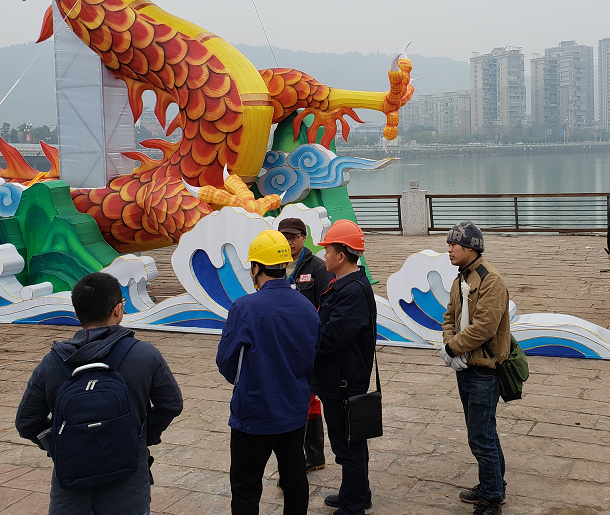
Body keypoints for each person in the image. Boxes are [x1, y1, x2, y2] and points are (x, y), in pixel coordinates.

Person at [15, 272, 183, 515]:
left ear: (76, 313)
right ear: (118, 310)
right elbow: (172, 404)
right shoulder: (145, 355)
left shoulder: (52, 363)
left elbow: (26, 422)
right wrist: (141, 436)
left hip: (70, 500)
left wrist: (61, 444)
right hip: (128, 495)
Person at [216, 229, 321, 515]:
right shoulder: (307, 307)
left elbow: (226, 362)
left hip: (253, 413)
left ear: (255, 267)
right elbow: (313, 356)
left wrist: (247, 382)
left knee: (246, 486)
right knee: (295, 478)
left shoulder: (244, 308)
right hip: (294, 411)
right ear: (284, 264)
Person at [441, 221, 511, 515]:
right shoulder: (462, 278)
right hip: (466, 367)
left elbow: (484, 327)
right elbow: (450, 315)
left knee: (481, 436)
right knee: (482, 433)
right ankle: (493, 485)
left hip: (484, 370)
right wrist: (450, 344)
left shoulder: (490, 280)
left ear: (470, 248)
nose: (449, 250)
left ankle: (492, 499)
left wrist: (452, 348)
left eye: (453, 244)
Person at [310, 219, 377, 515]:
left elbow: (331, 338)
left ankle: (353, 507)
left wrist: (303, 342)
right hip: (341, 378)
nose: (323, 256)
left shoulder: (352, 291)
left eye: (327, 250)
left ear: (341, 256)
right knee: (352, 442)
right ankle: (357, 493)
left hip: (343, 381)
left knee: (347, 446)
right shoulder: (347, 285)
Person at [278, 217, 334, 474]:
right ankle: (309, 455)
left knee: (307, 398)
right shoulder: (274, 262)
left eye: (293, 237)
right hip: (281, 342)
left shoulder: (318, 268)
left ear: (303, 237)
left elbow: (326, 306)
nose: (289, 242)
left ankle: (312, 455)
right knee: (294, 397)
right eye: (284, 237)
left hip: (305, 344)